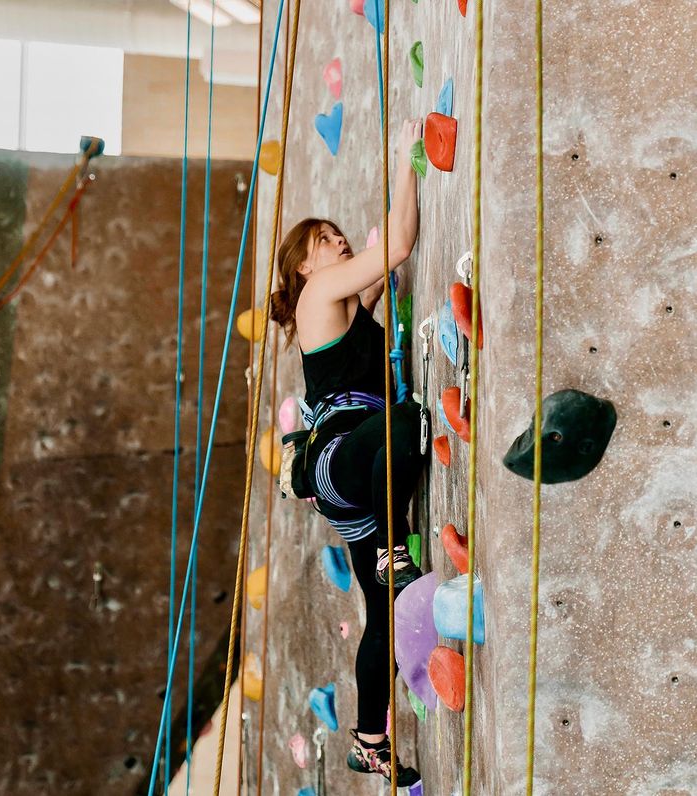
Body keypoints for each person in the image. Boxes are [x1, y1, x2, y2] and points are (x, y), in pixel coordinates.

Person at [270, 119, 425, 786]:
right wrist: (406, 158)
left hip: (355, 474)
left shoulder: (343, 302)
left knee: (384, 614)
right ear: (303, 266)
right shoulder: (316, 296)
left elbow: (381, 255)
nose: (335, 240)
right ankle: (396, 545)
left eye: (334, 233)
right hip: (341, 458)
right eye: (321, 240)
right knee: (407, 418)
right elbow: (396, 244)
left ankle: (368, 740)